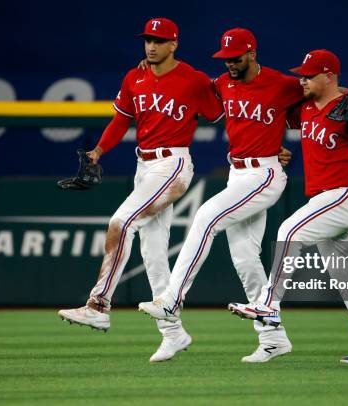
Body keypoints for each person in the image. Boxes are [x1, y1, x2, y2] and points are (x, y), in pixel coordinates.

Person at [58, 17, 224, 363]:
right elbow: (121, 120)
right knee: (153, 253)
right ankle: (173, 333)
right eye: (148, 39)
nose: (151, 46)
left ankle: (98, 305)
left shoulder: (192, 79)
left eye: (159, 40)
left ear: (173, 44)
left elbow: (219, 113)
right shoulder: (134, 77)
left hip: (172, 165)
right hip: (144, 167)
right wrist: (98, 151)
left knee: (121, 222)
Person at [139, 28, 304, 363]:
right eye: (226, 58)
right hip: (238, 173)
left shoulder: (281, 84)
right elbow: (186, 82)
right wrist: (155, 66)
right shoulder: (221, 84)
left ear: (252, 54)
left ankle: (172, 298)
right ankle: (273, 338)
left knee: (206, 216)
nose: (230, 63)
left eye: (236, 57)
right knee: (245, 257)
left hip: (265, 173)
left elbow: (320, 95)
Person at [228, 49, 348, 364]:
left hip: (344, 195)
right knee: (345, 278)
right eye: (301, 74)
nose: (301, 80)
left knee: (289, 229)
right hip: (325, 199)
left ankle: (269, 303)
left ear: (329, 75)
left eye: (309, 75)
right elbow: (270, 117)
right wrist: (271, 149)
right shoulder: (305, 109)